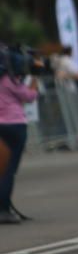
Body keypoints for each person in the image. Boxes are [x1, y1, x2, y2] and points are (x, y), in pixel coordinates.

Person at [0, 60, 38, 224]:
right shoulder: (9, 79)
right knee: (8, 169)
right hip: (14, 125)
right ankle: (3, 210)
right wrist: (35, 81)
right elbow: (29, 96)